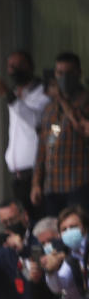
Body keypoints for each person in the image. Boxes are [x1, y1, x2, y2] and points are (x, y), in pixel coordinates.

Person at [0, 51, 51, 215]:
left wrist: (8, 96)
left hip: (36, 173)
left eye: (19, 65)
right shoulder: (17, 94)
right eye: (11, 66)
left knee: (41, 222)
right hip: (18, 176)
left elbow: (35, 120)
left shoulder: (43, 93)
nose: (14, 69)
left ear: (30, 66)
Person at [32, 52, 89, 216]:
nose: (63, 78)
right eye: (59, 73)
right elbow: (43, 147)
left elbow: (82, 127)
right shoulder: (49, 109)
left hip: (78, 184)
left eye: (68, 73)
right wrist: (36, 183)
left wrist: (62, 99)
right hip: (53, 186)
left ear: (78, 73)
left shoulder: (85, 101)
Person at [42, 203, 89, 299]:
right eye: (64, 229)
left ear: (85, 228)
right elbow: (58, 286)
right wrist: (51, 271)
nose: (69, 232)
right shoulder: (67, 257)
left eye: (73, 227)